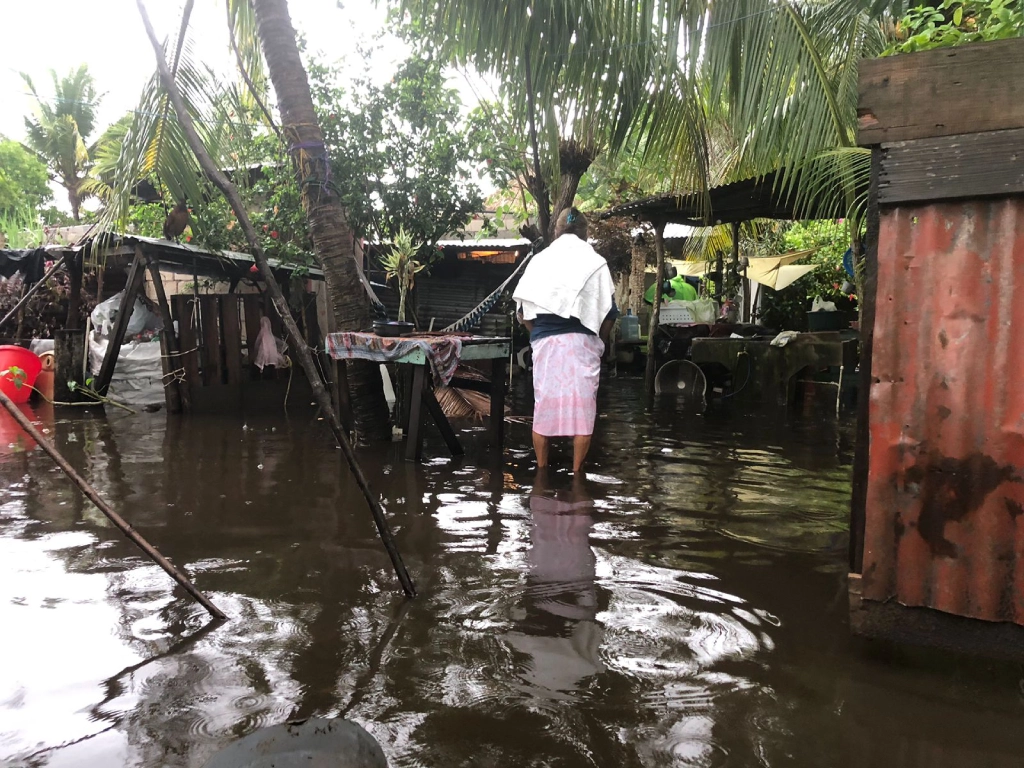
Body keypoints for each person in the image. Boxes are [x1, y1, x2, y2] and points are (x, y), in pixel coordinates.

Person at [513, 207, 616, 473]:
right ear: (586, 234)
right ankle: (578, 476)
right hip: (584, 343)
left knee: (543, 408)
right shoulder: (596, 263)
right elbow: (609, 314)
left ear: (556, 231)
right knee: (583, 413)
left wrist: (538, 335)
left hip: (545, 342)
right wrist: (600, 345)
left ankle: (542, 469)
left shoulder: (539, 261)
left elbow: (523, 313)